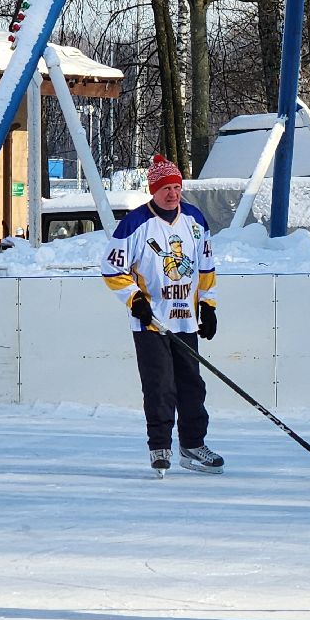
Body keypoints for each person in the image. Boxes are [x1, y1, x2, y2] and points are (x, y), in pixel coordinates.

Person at [102, 154, 225, 476]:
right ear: (152, 190)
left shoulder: (195, 219)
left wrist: (208, 307)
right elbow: (112, 268)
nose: (172, 194)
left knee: (192, 386)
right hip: (151, 322)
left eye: (176, 187)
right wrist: (135, 300)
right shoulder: (135, 223)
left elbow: (206, 267)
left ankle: (193, 444)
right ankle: (160, 446)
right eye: (165, 188)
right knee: (160, 387)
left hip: (185, 317)